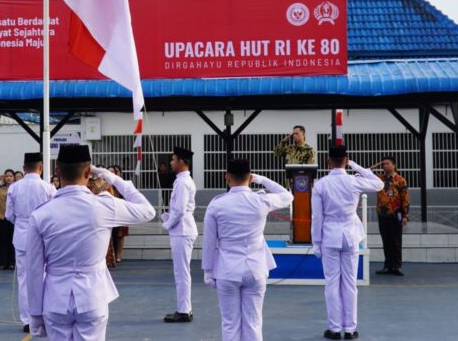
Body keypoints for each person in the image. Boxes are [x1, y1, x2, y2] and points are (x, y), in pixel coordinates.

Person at [25, 144, 155, 340]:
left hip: (55, 298)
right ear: (89, 171)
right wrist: (114, 179)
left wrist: (35, 314)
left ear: (57, 171)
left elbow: (34, 269)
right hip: (92, 296)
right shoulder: (104, 205)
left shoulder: (41, 214)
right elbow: (148, 211)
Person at [202, 158, 293, 341]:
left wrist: (208, 271)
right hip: (255, 268)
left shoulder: (217, 204)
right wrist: (261, 179)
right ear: (249, 178)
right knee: (253, 323)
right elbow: (287, 195)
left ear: (226, 177)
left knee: (230, 324)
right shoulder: (260, 200)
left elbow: (209, 241)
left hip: (227, 270)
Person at [311, 145, 383, 340]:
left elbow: (317, 217)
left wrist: (316, 242)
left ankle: (334, 329)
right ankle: (350, 329)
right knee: (350, 283)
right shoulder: (354, 181)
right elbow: (379, 184)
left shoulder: (321, 184)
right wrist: (355, 165)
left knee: (332, 283)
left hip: (330, 236)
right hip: (350, 235)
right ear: (346, 160)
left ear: (328, 161)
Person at [5, 153, 56, 333]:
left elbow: (9, 215)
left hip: (21, 236)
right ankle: (46, 316)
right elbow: (54, 215)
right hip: (43, 236)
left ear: (24, 167)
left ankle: (28, 319)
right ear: (40, 167)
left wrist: (22, 223)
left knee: (24, 280)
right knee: (45, 277)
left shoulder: (14, 188)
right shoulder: (49, 188)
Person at [161, 147, 198, 323]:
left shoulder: (183, 182)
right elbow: (178, 209)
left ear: (182, 162)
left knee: (181, 272)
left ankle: (184, 310)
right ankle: (184, 309)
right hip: (181, 230)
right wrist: (168, 217)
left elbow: (181, 210)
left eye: (173, 159)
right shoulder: (181, 181)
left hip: (182, 231)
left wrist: (168, 224)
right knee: (181, 272)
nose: (171, 162)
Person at [370, 156, 409, 276]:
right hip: (382, 214)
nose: (385, 166)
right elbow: (365, 173)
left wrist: (405, 215)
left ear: (394, 165)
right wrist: (376, 164)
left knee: (396, 241)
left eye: (387, 164)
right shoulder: (379, 179)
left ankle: (397, 266)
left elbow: (405, 198)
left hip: (396, 214)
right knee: (386, 241)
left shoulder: (400, 180)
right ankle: (387, 266)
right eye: (383, 164)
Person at [0, 169, 16, 270]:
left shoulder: (17, 188)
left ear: (14, 177)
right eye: (6, 176)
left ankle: (12, 263)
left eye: (10, 176)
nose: (8, 178)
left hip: (14, 218)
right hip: (1, 217)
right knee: (3, 241)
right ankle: (3, 263)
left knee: (12, 241)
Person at [108, 165, 128, 263]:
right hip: (108, 212)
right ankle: (111, 256)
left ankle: (118, 255)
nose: (112, 173)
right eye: (110, 171)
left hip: (120, 211)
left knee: (120, 234)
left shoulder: (120, 184)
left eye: (114, 171)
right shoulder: (105, 184)